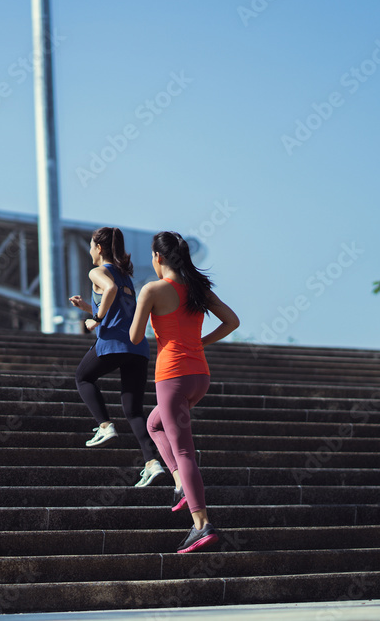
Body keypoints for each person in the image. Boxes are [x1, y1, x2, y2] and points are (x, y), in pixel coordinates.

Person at [130, 231, 240, 554]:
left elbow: (136, 337)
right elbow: (232, 321)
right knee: (154, 425)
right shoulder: (197, 289)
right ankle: (180, 486)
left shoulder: (152, 290)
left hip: (173, 377)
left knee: (184, 452)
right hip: (198, 376)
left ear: (158, 258)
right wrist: (200, 343)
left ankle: (201, 524)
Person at [68, 227, 165, 488]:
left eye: (91, 246)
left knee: (82, 377)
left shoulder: (98, 272)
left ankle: (104, 426)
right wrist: (88, 307)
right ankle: (151, 462)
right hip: (137, 348)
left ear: (99, 248)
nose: (90, 251)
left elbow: (108, 289)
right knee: (134, 412)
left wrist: (94, 319)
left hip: (113, 342)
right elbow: (120, 307)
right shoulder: (125, 276)